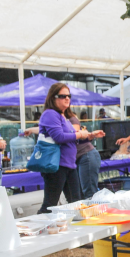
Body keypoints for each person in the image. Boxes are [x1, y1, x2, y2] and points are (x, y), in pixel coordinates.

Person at [36, 84, 91, 212]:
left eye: (68, 96)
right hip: (56, 165)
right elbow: (59, 137)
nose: (67, 98)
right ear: (53, 98)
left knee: (77, 203)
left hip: (68, 164)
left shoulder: (62, 116)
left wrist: (89, 136)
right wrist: (79, 134)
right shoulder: (50, 114)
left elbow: (70, 138)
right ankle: (38, 229)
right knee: (50, 204)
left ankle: (77, 230)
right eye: (62, 96)